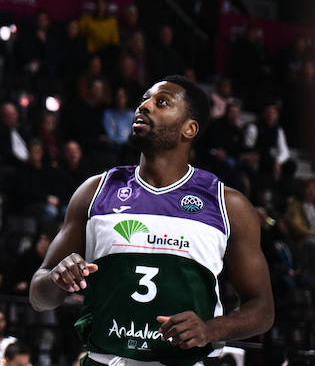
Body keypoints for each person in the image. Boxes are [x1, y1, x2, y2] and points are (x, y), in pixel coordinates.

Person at [31, 76, 274, 365]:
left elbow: (263, 309)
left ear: (189, 128)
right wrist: (58, 278)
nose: (144, 106)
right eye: (144, 99)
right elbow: (39, 295)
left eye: (162, 102)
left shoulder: (228, 205)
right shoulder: (94, 191)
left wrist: (211, 329)